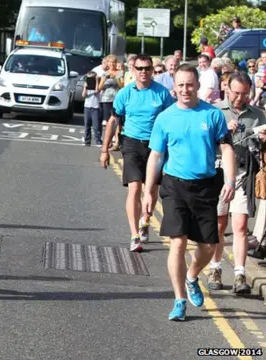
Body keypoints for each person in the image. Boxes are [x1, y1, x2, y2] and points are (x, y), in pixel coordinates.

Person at [142, 63, 235, 321]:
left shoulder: (213, 115)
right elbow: (156, 156)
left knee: (208, 246)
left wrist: (229, 180)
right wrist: (149, 192)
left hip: (205, 186)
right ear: (174, 87)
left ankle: (192, 276)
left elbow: (226, 148)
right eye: (180, 85)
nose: (185, 89)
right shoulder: (165, 118)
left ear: (197, 85)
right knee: (178, 242)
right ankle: (179, 299)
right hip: (174, 185)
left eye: (189, 84)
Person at [100, 54, 174, 252]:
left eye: (147, 68)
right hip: (131, 143)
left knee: (151, 191)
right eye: (140, 68)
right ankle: (134, 235)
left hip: (156, 146)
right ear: (133, 70)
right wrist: (104, 150)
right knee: (134, 188)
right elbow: (113, 121)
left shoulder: (162, 93)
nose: (144, 72)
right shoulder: (125, 93)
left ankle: (145, 221)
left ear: (152, 70)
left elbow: (173, 119)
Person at [209, 71, 266, 293]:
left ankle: (240, 274)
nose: (240, 98)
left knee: (241, 226)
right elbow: (205, 143)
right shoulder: (215, 111)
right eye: (236, 93)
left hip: (244, 174)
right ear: (227, 89)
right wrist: (222, 133)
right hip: (219, 172)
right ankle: (215, 268)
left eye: (244, 93)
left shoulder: (258, 115)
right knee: (219, 224)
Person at [82, 71, 100, 146]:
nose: (90, 80)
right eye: (89, 78)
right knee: (87, 125)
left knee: (96, 126)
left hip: (95, 107)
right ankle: (87, 141)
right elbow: (83, 95)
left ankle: (98, 141)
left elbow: (96, 91)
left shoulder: (97, 85)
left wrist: (96, 81)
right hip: (87, 107)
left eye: (92, 78)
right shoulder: (86, 86)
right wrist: (85, 87)